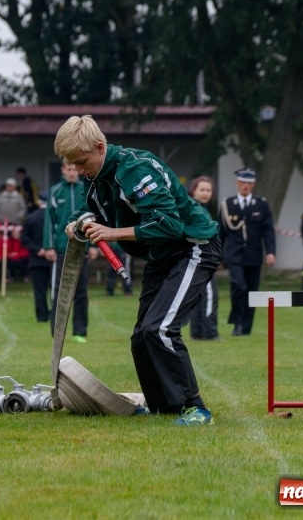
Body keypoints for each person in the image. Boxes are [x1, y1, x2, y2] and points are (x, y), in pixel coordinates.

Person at [56, 115, 220, 426]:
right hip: (160, 256)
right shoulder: (95, 176)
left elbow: (169, 225)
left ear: (100, 147)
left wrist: (112, 233)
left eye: (82, 162)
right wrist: (77, 222)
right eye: (72, 163)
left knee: (160, 328)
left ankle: (196, 408)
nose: (78, 170)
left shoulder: (136, 169)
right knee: (142, 337)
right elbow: (90, 208)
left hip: (192, 246)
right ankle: (162, 408)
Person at [218, 168, 276, 336]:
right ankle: (237, 323)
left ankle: (246, 326)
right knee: (239, 286)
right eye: (243, 182)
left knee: (252, 291)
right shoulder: (228, 204)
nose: (245, 186)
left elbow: (268, 231)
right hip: (234, 254)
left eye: (249, 183)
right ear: (237, 183)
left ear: (253, 184)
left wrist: (270, 251)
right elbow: (221, 232)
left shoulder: (261, 204)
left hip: (253, 254)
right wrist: (217, 255)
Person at [44, 159, 96, 343]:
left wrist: (94, 245)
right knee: (59, 292)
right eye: (69, 169)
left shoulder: (86, 189)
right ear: (63, 170)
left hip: (83, 248)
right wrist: (48, 246)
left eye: (75, 169)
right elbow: (49, 221)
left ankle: (80, 332)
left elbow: (95, 217)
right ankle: (57, 333)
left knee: (81, 292)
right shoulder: (55, 191)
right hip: (61, 249)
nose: (72, 172)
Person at [188, 176, 219, 340]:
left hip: (197, 257)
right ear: (194, 191)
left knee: (197, 296)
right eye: (202, 190)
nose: (205, 193)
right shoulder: (196, 210)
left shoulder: (200, 209)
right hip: (202, 258)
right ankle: (209, 332)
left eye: (208, 190)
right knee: (210, 294)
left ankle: (197, 332)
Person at [21, 192, 51, 322]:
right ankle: (55, 314)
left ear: (38, 202)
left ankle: (41, 315)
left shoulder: (30, 218)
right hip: (54, 258)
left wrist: (37, 250)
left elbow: (24, 239)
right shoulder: (55, 217)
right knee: (56, 289)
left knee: (39, 289)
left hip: (37, 258)